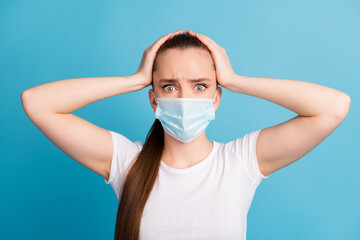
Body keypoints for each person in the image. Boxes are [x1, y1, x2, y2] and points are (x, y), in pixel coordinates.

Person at [21, 29, 351, 240]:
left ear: (216, 97)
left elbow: (334, 107)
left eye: (200, 86)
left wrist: (235, 79)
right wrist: (134, 79)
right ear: (153, 99)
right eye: (169, 86)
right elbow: (36, 103)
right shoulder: (126, 162)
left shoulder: (240, 162)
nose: (184, 98)